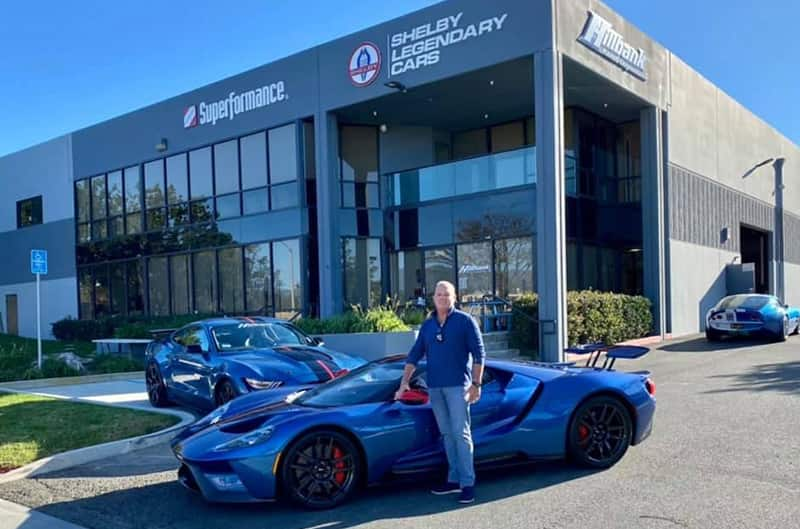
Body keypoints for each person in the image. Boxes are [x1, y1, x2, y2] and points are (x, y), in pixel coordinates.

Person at [394, 280, 485, 504]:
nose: (442, 298)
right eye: (438, 294)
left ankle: (467, 483)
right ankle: (453, 480)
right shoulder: (428, 325)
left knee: (461, 434)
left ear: (454, 297)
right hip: (435, 388)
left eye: (447, 294)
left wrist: (476, 384)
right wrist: (404, 382)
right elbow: (414, 355)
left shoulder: (465, 321)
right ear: (433, 298)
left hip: (458, 387)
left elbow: (480, 353)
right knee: (447, 434)